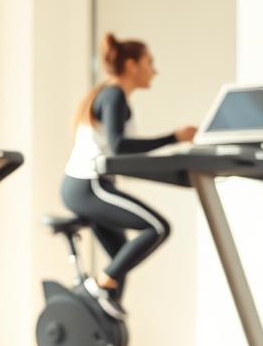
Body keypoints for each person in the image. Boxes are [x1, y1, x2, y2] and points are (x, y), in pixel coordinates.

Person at [61, 33, 196, 319]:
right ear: (132, 65)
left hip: (86, 185)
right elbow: (120, 146)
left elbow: (122, 153)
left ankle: (101, 332)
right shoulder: (114, 95)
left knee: (120, 257)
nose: (154, 70)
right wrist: (174, 137)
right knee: (157, 228)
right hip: (89, 185)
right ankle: (97, 287)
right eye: (150, 62)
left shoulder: (109, 94)